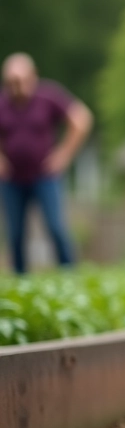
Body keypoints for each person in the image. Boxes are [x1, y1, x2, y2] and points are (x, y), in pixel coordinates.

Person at [0, 53, 93, 273]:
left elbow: (81, 118)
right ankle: (20, 282)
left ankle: (69, 276)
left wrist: (64, 154)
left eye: (20, 81)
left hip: (45, 176)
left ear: (33, 77)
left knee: (56, 228)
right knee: (15, 234)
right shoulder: (3, 103)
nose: (16, 87)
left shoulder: (48, 97)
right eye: (11, 82)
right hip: (11, 179)